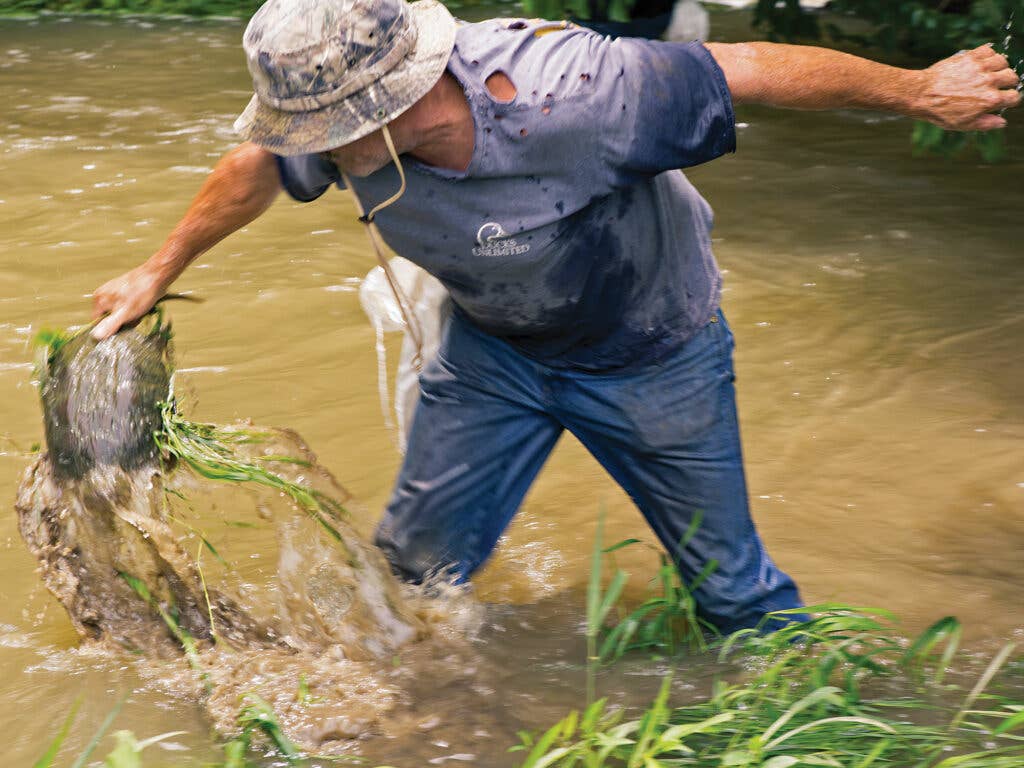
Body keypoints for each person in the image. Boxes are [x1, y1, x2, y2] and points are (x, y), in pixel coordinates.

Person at [90, 0, 1021, 634]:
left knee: (737, 601)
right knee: (412, 580)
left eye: (329, 129)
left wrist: (918, 89)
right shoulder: (331, 137)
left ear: (398, 99)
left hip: (655, 352)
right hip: (493, 354)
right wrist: (155, 268)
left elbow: (741, 70)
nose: (314, 151)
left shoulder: (580, 91)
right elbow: (254, 162)